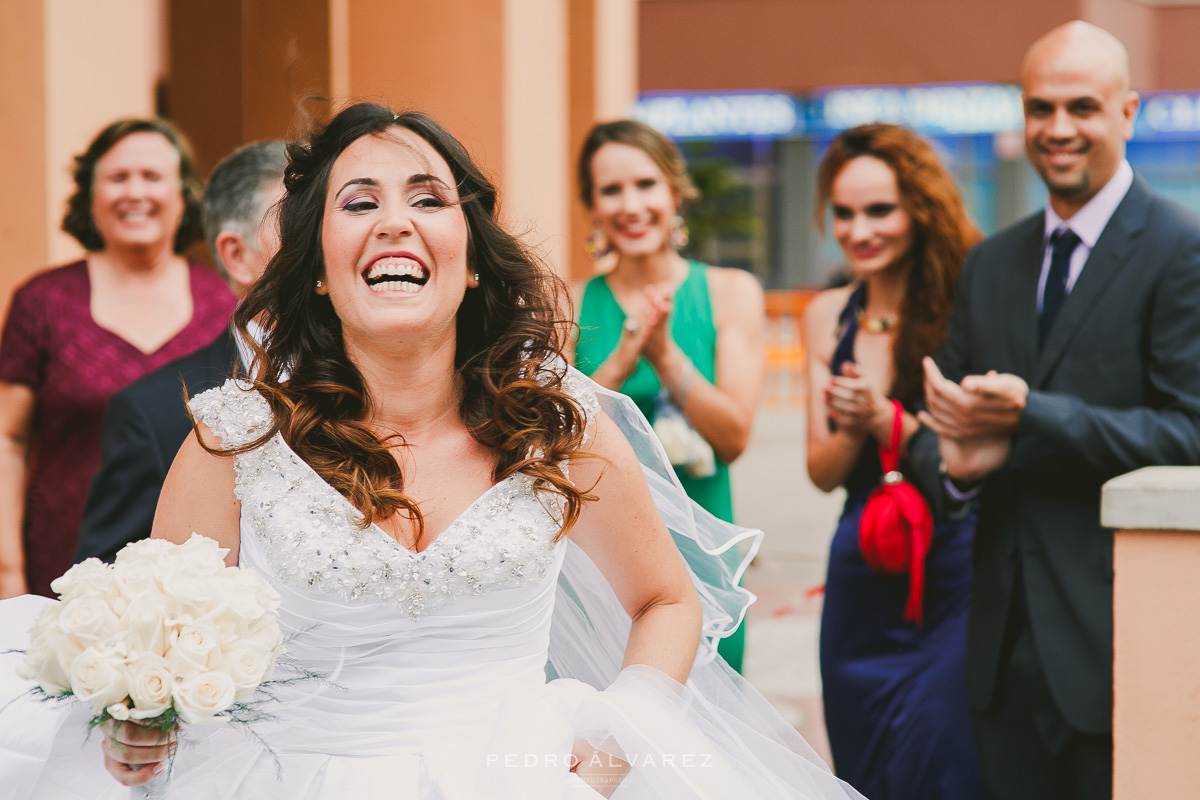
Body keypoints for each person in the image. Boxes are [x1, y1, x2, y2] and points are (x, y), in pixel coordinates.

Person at [0, 104, 863, 800]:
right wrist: (139, 726)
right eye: (359, 201)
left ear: (472, 260)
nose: (395, 223)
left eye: (426, 197)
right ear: (316, 270)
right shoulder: (234, 441)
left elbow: (669, 599)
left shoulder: (557, 427)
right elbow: (160, 649)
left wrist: (609, 750)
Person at [912, 22, 1200, 800]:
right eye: (1041, 108)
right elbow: (937, 438)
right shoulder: (991, 260)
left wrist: (1031, 418)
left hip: (1124, 639)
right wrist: (960, 469)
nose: (1059, 129)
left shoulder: (1181, 248)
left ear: (1129, 112)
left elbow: (1191, 434)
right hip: (1002, 652)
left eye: (1083, 107)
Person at [803, 123, 988, 799]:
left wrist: (890, 419)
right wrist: (856, 425)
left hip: (951, 565)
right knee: (863, 761)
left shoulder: (968, 304)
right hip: (862, 569)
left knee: (944, 752)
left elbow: (983, 457)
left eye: (880, 210)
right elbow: (821, 471)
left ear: (920, 208)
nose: (860, 229)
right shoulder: (828, 315)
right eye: (845, 214)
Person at [0, 119, 236, 599]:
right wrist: (8, 571)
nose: (135, 192)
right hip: (61, 557)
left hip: (199, 565)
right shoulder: (43, 301)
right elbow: (8, 438)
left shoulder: (223, 304)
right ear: (90, 194)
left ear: (183, 195)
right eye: (117, 177)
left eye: (151, 177)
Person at [572, 119, 765, 673]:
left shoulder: (730, 292)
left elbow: (733, 438)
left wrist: (666, 357)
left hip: (704, 565)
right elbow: (552, 437)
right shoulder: (569, 299)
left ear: (675, 194)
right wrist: (623, 359)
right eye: (611, 190)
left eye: (645, 184)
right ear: (593, 208)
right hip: (602, 563)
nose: (631, 205)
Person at [74, 140, 287, 564]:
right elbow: (109, 585)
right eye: (304, 224)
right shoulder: (153, 413)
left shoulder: (397, 383)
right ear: (238, 255)